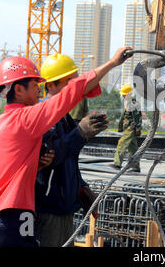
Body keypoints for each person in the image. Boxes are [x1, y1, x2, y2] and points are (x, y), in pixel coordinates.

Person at [0, 46, 132, 247]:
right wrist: (112, 63)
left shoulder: (0, 123)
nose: (38, 90)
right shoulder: (27, 119)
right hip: (13, 211)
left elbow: (20, 165)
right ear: (19, 89)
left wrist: (79, 188)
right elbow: (72, 94)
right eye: (34, 85)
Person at [34, 53, 107, 247]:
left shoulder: (64, 117)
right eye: (69, 82)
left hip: (64, 208)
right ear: (51, 85)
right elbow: (48, 156)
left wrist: (81, 189)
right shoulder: (44, 116)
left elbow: (68, 162)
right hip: (49, 210)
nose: (75, 88)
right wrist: (79, 134)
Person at [112, 84, 142, 172]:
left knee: (121, 144)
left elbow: (137, 118)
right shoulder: (126, 102)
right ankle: (135, 167)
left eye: (124, 94)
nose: (123, 95)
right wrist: (120, 127)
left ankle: (117, 164)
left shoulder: (133, 103)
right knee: (132, 148)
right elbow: (124, 116)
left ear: (129, 94)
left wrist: (138, 129)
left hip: (131, 128)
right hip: (127, 128)